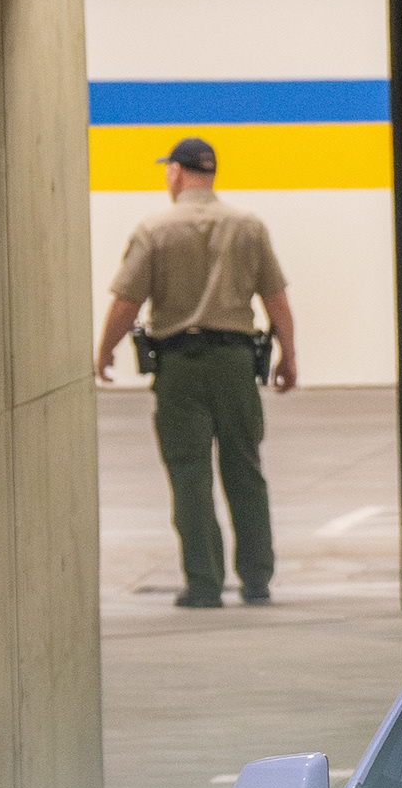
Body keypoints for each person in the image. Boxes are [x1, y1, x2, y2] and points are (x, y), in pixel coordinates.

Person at [93, 136, 298, 608]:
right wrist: (289, 354)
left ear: (176, 173)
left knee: (189, 473)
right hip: (235, 363)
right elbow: (275, 297)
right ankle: (256, 578)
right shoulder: (248, 226)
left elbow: (127, 301)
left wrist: (105, 350)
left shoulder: (154, 229)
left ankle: (204, 583)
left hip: (180, 365)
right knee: (244, 469)